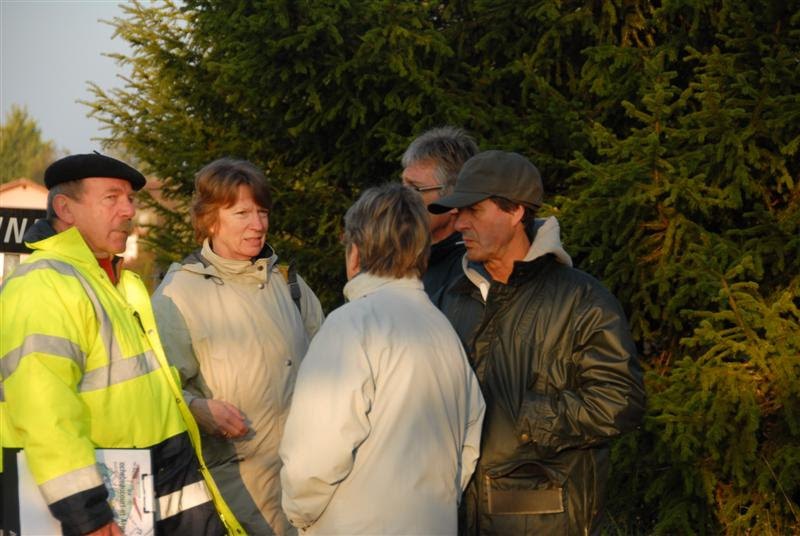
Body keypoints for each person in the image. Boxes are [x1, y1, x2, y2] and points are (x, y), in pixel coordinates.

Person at [0, 153, 237, 535]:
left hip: (155, 494)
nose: (128, 210)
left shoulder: (119, 284)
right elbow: (45, 410)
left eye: (130, 199)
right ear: (65, 209)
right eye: (111, 198)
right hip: (99, 506)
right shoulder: (43, 285)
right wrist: (87, 514)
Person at [428, 150, 646, 535]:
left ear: (515, 212)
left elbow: (620, 401)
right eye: (457, 212)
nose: (458, 223)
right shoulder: (452, 295)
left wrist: (527, 419)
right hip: (453, 516)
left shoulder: (582, 300)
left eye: (473, 210)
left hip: (543, 521)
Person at [279, 183, 486, 534]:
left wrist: (299, 514)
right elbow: (468, 444)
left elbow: (313, 455)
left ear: (355, 253)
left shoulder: (351, 325)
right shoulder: (442, 330)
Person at [151, 158, 324, 535]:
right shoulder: (177, 294)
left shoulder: (290, 285)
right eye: (242, 213)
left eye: (262, 212)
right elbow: (155, 389)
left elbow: (332, 369)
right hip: (232, 496)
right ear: (210, 220)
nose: (258, 225)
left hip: (306, 490)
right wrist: (196, 408)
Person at [401, 126, 479, 300]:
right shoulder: (397, 256)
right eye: (402, 187)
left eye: (414, 189)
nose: (401, 199)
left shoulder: (471, 271)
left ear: (454, 200)